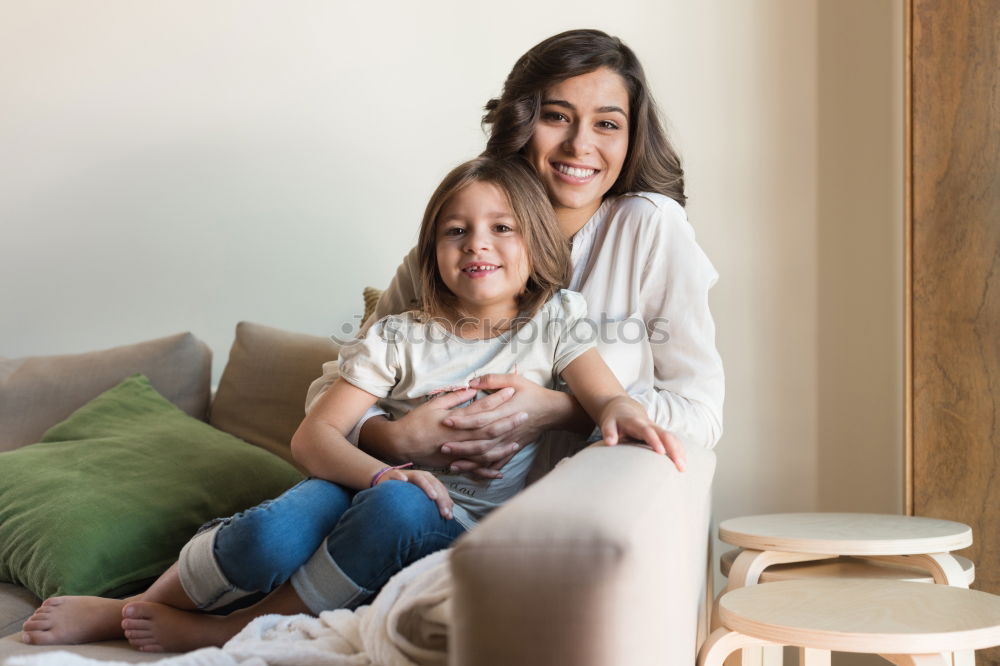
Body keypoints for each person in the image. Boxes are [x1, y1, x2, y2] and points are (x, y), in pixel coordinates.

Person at [21, 27, 723, 652]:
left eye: (608, 123)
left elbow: (698, 415)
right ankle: (144, 609)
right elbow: (339, 394)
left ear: (632, 139)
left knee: (391, 512)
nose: (580, 145)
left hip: (500, 514)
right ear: (520, 123)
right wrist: (395, 442)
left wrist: (560, 408)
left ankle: (222, 623)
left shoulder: (644, 234)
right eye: (557, 117)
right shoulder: (447, 256)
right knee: (314, 516)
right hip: (393, 484)